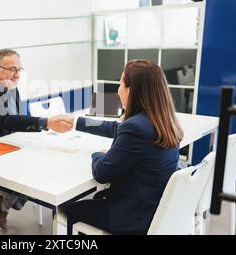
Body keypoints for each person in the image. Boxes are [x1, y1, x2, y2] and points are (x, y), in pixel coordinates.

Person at [64, 59, 184, 234]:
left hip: (133, 218)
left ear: (132, 90)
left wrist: (99, 154)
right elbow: (116, 128)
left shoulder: (135, 127)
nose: (118, 90)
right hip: (158, 210)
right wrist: (76, 121)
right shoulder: (163, 120)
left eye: (121, 84)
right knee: (97, 199)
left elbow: (102, 174)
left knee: (70, 209)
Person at [0, 48, 73, 231]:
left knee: (40, 163)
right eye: (13, 69)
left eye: (20, 69)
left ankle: (7, 200)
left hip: (10, 143)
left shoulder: (12, 89)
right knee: (25, 172)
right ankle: (5, 203)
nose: (17, 74)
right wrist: (46, 122)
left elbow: (16, 120)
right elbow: (8, 121)